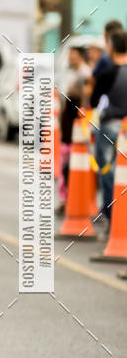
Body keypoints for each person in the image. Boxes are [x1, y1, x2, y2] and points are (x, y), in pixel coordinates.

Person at [90, 30, 127, 225]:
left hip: (111, 125)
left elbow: (93, 101)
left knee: (107, 170)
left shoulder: (108, 73)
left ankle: (110, 212)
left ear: (111, 47)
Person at [58, 43, 91, 211]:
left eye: (73, 55)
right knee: (65, 163)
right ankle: (66, 199)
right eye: (69, 55)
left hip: (77, 128)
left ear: (80, 56)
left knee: (71, 166)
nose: (70, 58)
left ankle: (71, 200)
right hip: (68, 127)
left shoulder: (85, 73)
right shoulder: (73, 73)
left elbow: (85, 100)